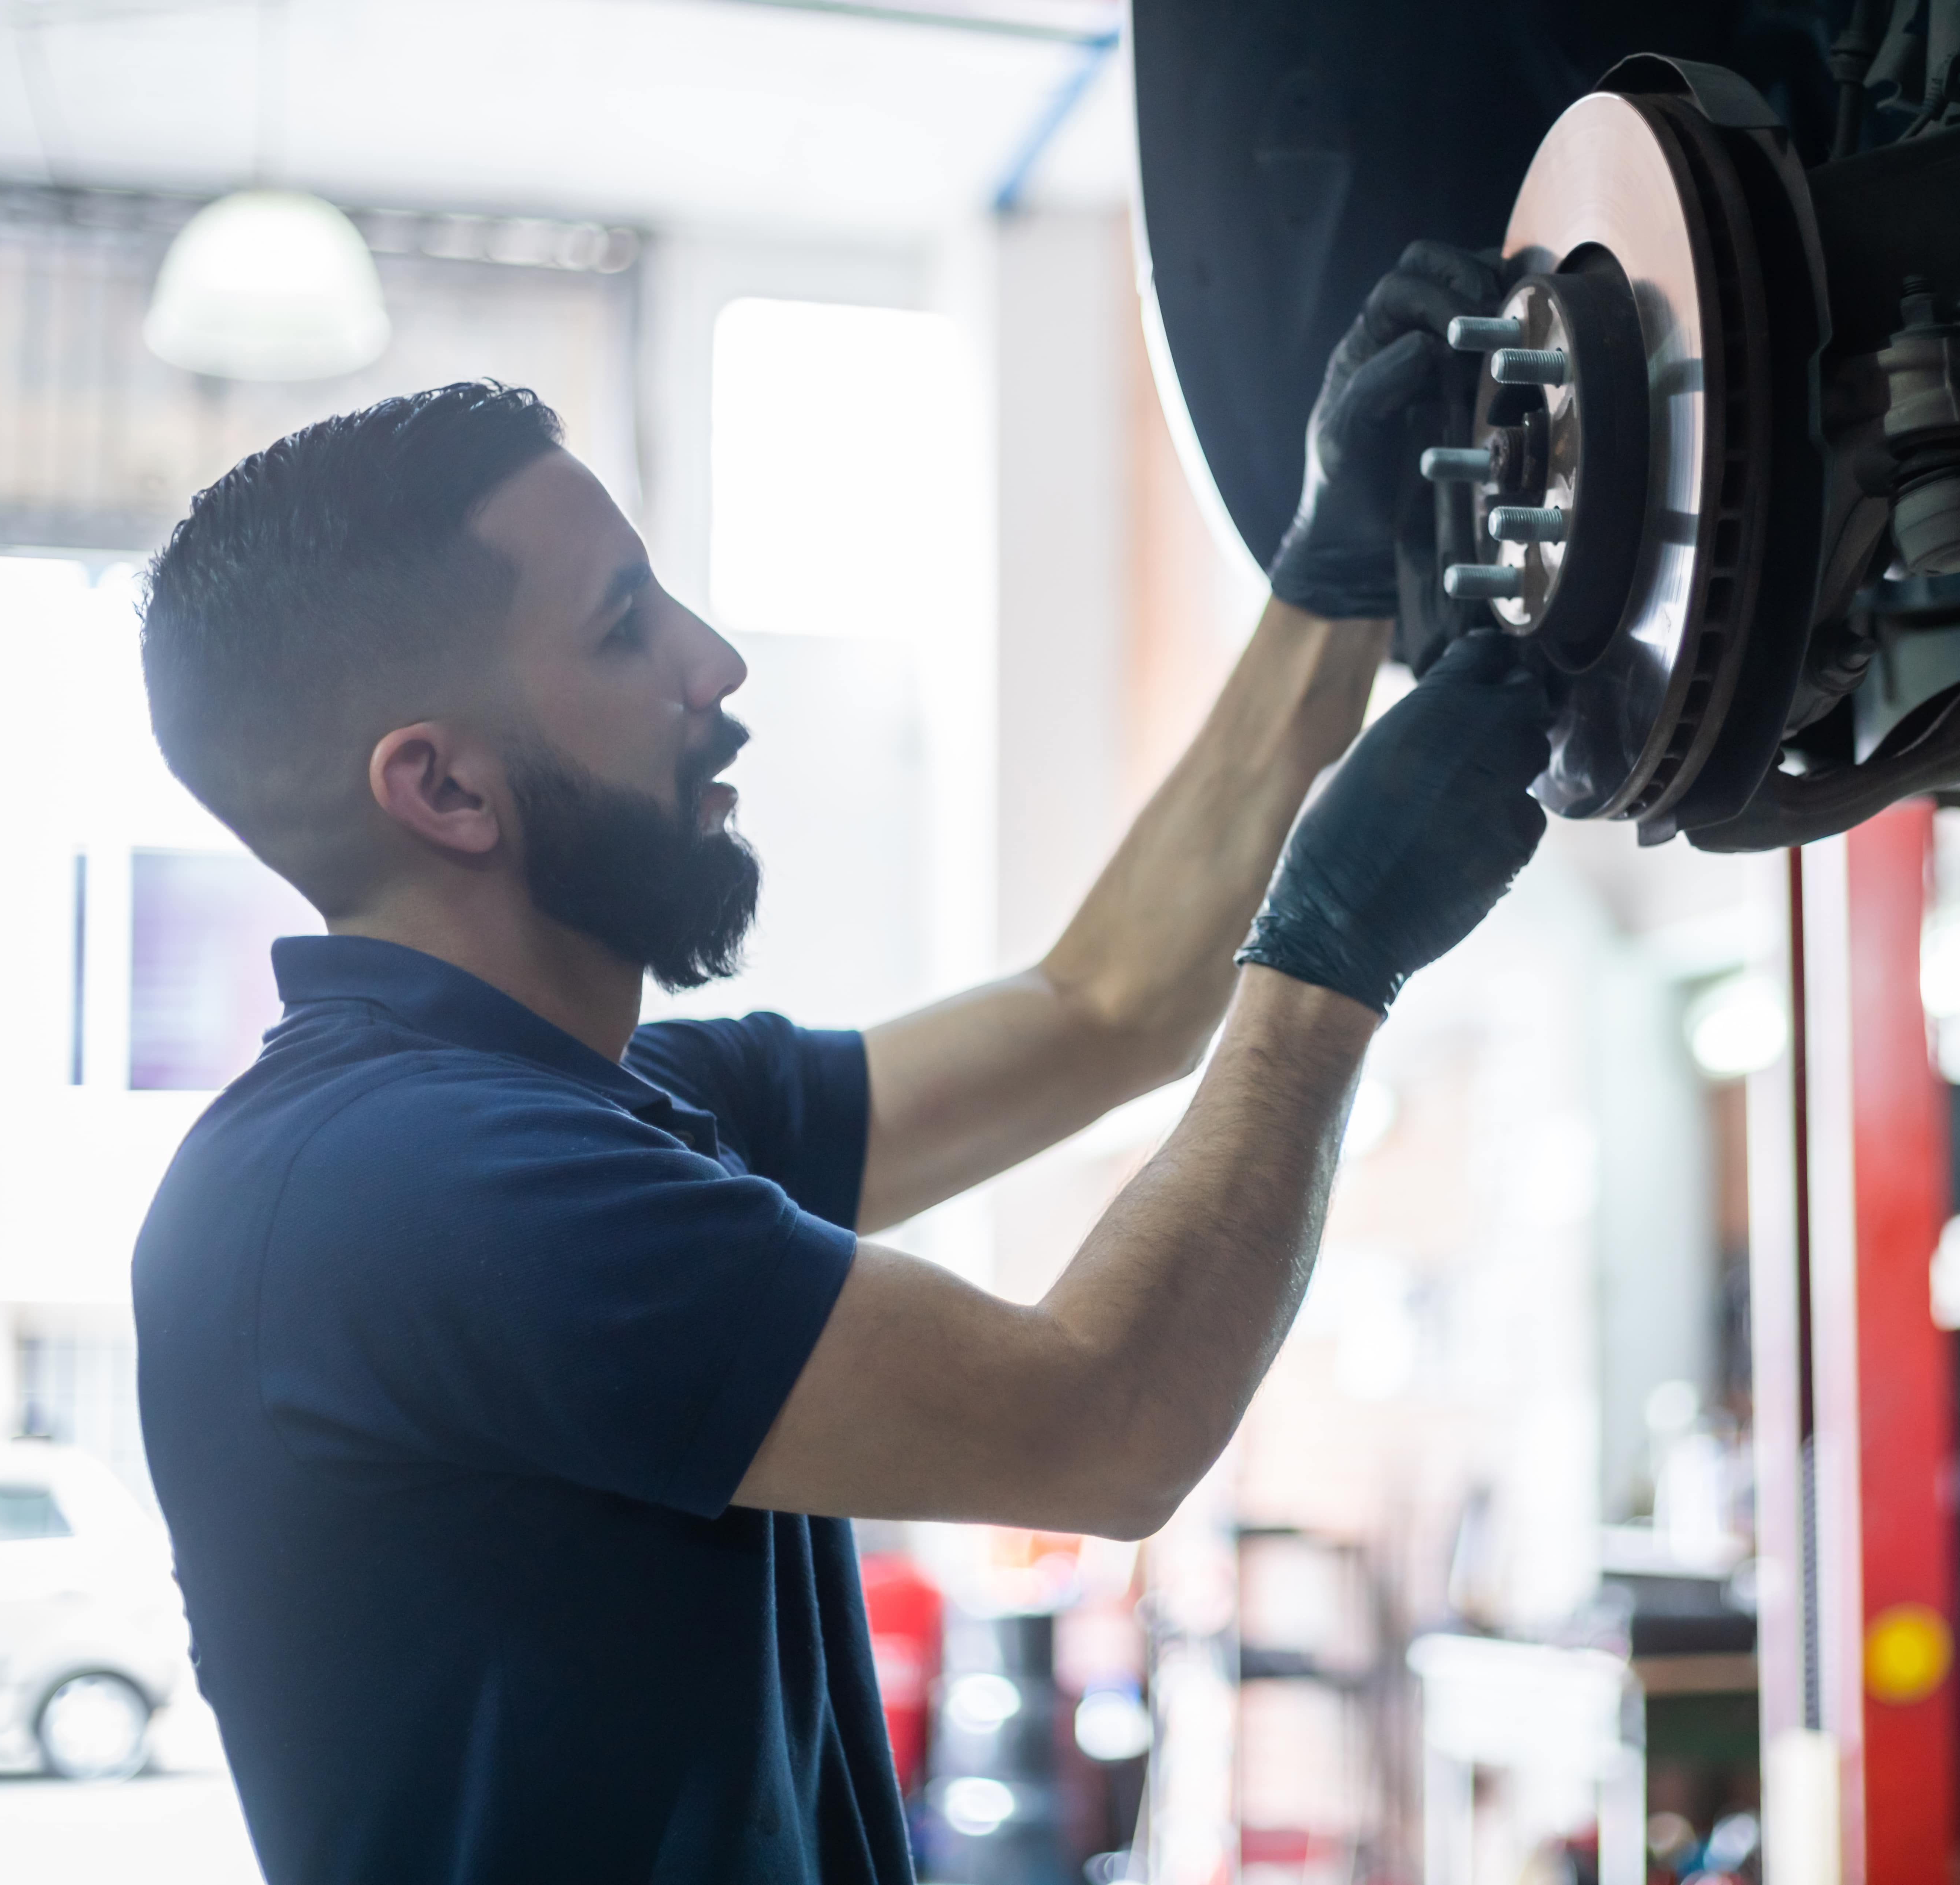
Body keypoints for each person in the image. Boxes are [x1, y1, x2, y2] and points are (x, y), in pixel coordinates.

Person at [131, 242, 1536, 1884]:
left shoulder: (600, 1111)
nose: (713, 665)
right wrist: (1334, 955)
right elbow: (1104, 1424)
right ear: (443, 791)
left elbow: (1107, 1007)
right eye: (622, 629)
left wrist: (1330, 585)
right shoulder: (415, 1190)